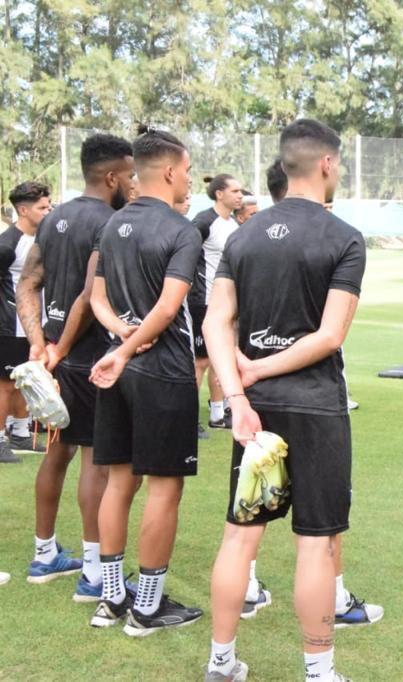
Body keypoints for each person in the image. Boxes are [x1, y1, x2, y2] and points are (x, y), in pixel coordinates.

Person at [205, 118, 366, 682]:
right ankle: (319, 672)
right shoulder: (344, 236)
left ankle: (220, 664)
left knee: (239, 538)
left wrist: (237, 393)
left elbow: (215, 322)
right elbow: (328, 337)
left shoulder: (242, 233)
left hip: (258, 410)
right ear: (326, 164)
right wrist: (254, 372)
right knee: (316, 545)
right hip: (317, 407)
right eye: (338, 164)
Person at [87, 127, 204, 634]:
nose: (190, 180)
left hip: (121, 368)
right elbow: (169, 306)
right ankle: (147, 607)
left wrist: (119, 340)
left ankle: (111, 598)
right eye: (190, 171)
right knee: (163, 488)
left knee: (119, 480)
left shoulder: (114, 226)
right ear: (172, 171)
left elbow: (96, 298)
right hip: (163, 372)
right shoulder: (183, 230)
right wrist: (132, 343)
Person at [16, 134, 135, 597]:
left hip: (53, 356)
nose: (132, 183)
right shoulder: (111, 221)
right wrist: (60, 347)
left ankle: (44, 554)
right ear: (111, 177)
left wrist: (39, 344)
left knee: (56, 452)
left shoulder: (54, 217)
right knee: (95, 462)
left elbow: (28, 283)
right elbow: (90, 294)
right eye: (129, 175)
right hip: (87, 358)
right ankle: (91, 571)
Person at [0, 182, 52, 464]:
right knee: (5, 384)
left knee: (24, 380)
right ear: (23, 210)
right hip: (9, 326)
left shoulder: (44, 239)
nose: (49, 210)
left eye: (48, 205)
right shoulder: (8, 244)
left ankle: (21, 432)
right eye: (42, 207)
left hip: (35, 326)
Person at [193, 175, 244, 432]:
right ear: (219, 194)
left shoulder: (234, 223)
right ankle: (188, 417)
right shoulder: (203, 221)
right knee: (200, 362)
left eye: (241, 191)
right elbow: (186, 255)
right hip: (202, 301)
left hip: (226, 302)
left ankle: (217, 413)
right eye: (235, 191)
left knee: (220, 358)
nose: (240, 195)